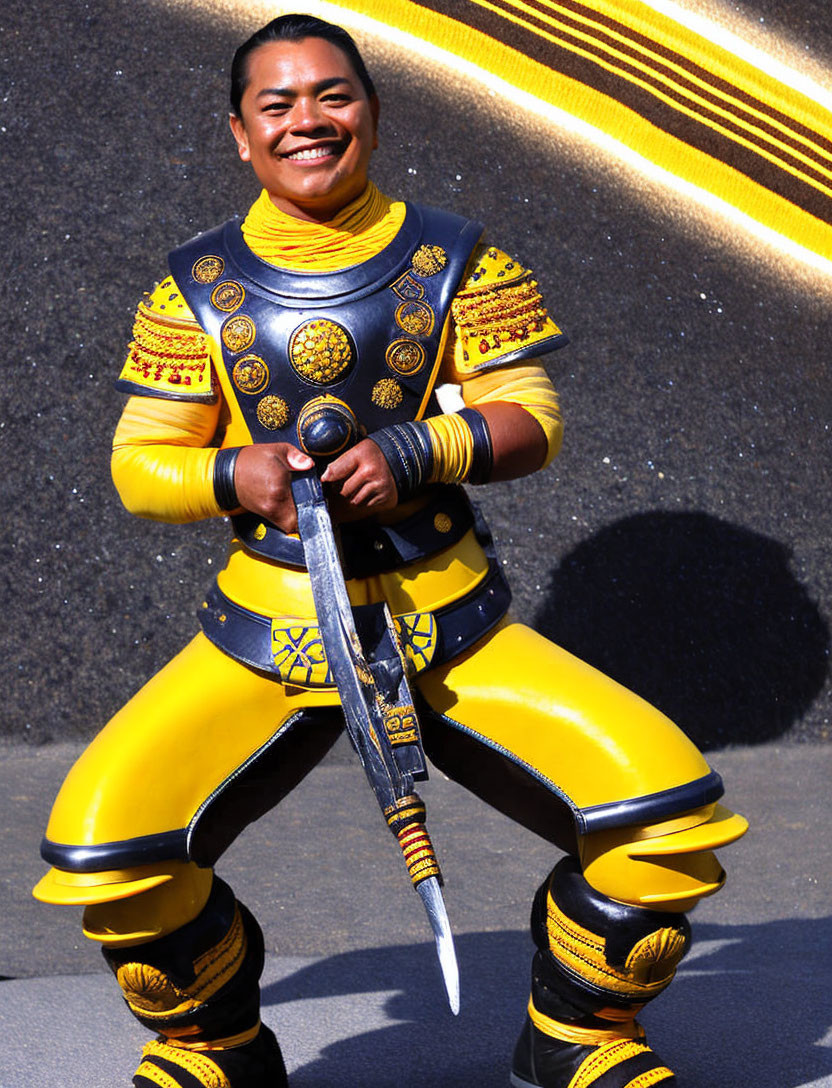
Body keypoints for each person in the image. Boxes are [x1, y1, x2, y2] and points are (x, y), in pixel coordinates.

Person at [34, 15, 747, 1088]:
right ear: (239, 133)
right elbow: (142, 461)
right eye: (277, 105)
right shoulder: (192, 288)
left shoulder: (457, 260)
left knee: (669, 816)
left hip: (447, 617)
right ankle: (212, 1042)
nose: (307, 122)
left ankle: (579, 1031)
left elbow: (531, 416)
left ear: (371, 110)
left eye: (332, 95)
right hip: (266, 627)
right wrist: (238, 474)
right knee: (107, 851)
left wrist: (420, 448)